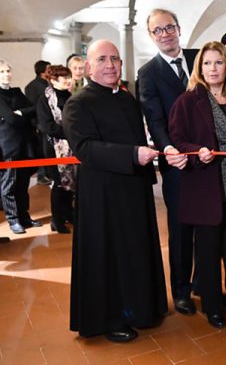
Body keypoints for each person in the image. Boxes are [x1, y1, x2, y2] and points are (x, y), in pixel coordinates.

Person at [63, 40, 167, 343]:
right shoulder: (78, 102)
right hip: (103, 195)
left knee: (135, 249)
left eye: (115, 59)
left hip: (133, 189)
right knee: (110, 255)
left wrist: (143, 155)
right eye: (103, 59)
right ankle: (110, 318)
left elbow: (135, 137)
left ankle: (142, 309)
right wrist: (133, 155)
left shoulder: (126, 98)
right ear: (89, 65)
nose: (110, 65)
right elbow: (85, 148)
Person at [169, 41, 226, 329]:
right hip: (205, 186)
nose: (212, 68)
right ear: (199, 68)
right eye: (207, 63)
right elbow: (177, 139)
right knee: (208, 252)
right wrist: (196, 151)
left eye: (218, 62)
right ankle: (212, 304)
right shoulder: (187, 101)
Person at [137, 8, 199, 316]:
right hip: (176, 163)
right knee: (181, 228)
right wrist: (169, 148)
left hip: (208, 159)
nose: (165, 34)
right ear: (151, 36)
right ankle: (182, 290)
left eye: (169, 27)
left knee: (210, 223)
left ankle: (204, 280)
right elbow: (154, 118)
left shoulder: (199, 57)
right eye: (158, 30)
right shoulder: (148, 73)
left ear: (178, 28)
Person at [0, 59, 40, 234]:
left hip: (25, 143)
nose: (6, 74)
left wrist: (21, 113)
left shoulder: (16, 92)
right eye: (2, 72)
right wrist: (20, 115)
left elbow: (35, 108)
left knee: (23, 184)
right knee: (9, 184)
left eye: (8, 71)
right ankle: (13, 219)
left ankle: (24, 216)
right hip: (8, 145)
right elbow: (10, 118)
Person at [37, 65, 76, 234]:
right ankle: (57, 220)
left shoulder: (69, 96)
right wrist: (71, 133)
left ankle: (69, 213)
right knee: (58, 184)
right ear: (53, 80)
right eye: (64, 78)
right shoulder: (44, 99)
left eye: (69, 77)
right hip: (53, 148)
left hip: (71, 147)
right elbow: (47, 126)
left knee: (70, 182)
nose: (68, 80)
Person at [24, 59, 52, 186]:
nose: (51, 72)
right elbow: (34, 106)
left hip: (41, 122)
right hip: (41, 122)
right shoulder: (39, 86)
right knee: (43, 149)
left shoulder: (38, 84)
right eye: (49, 70)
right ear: (42, 72)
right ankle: (42, 175)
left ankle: (46, 173)